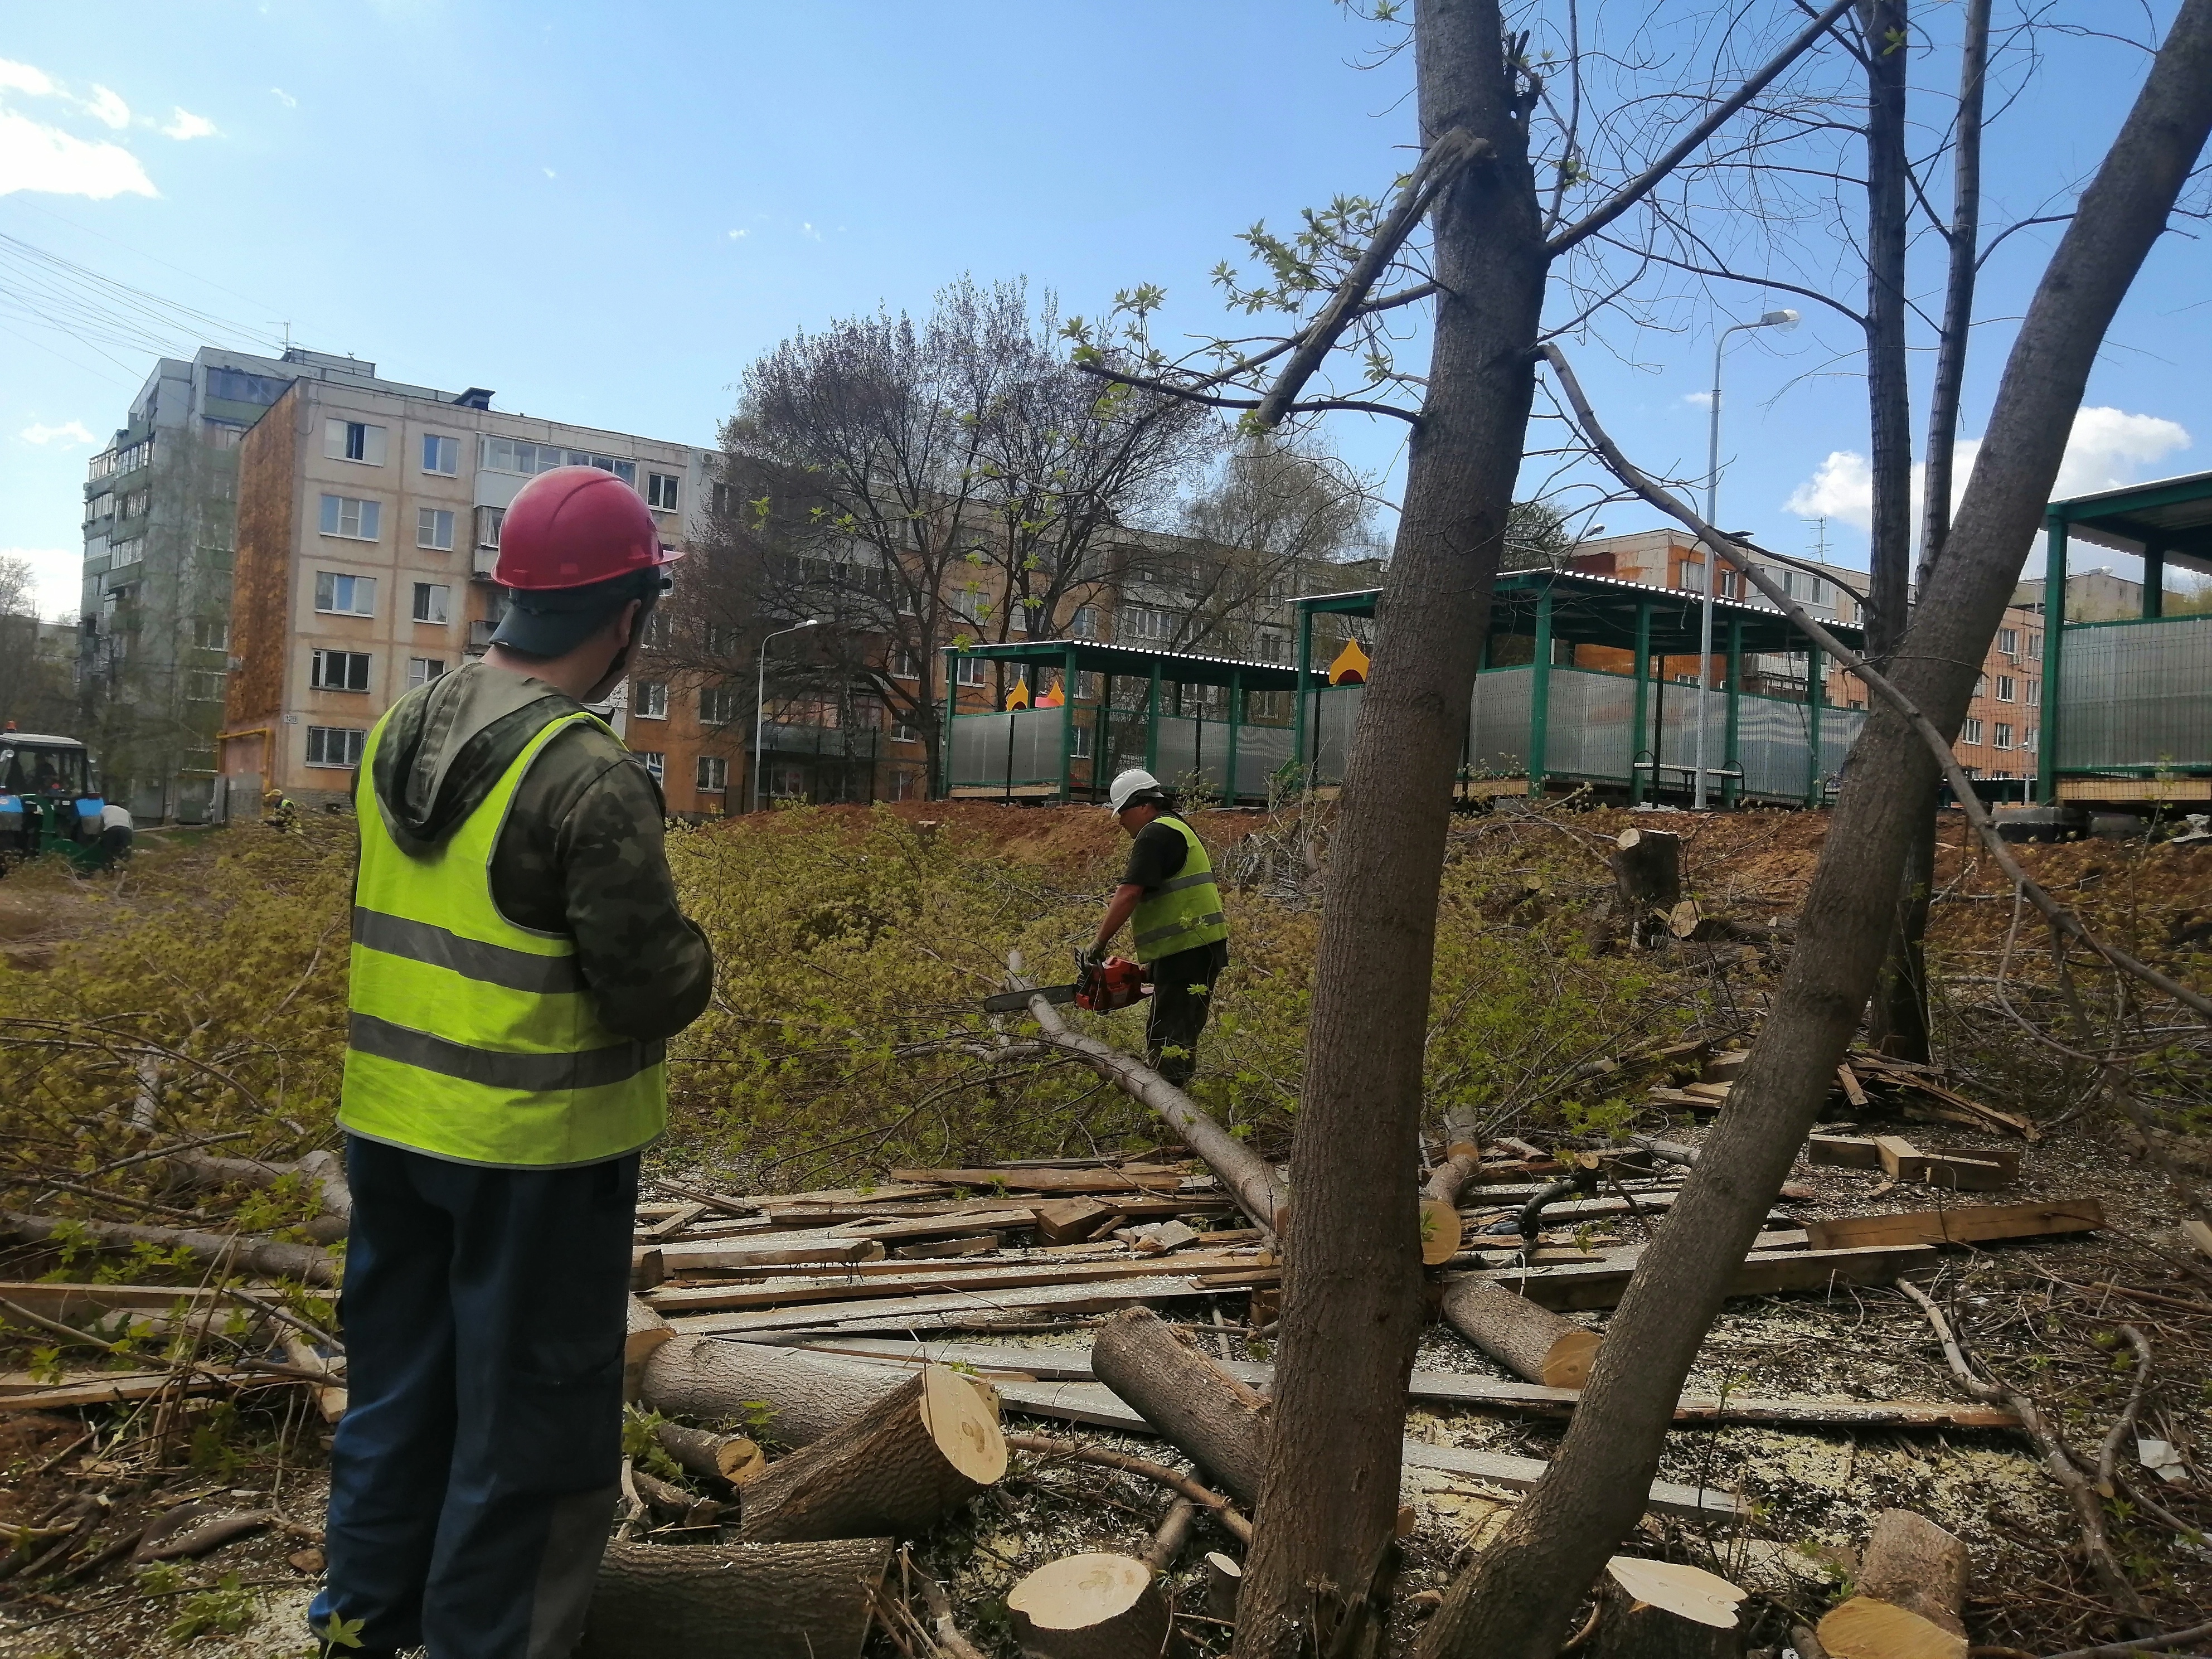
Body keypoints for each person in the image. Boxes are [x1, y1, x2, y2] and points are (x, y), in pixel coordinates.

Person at [311, 466, 714, 1659]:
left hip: (387, 1130)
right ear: (627, 615)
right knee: (529, 1430)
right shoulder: (587, 775)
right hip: (539, 1160)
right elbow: (652, 984)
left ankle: (359, 1629)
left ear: (511, 596)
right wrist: (698, 955)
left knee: (396, 1394)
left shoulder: (393, 733)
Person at [1088, 768, 1229, 1086]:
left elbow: (1130, 893)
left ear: (1142, 806)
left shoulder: (1154, 834)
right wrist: (1155, 964)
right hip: (1191, 948)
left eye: (1122, 812)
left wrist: (1098, 945)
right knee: (1167, 1030)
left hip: (1188, 950)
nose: (1120, 820)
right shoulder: (1176, 828)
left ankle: (1174, 1115)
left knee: (1171, 1038)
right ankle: (1168, 1103)